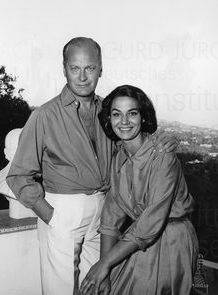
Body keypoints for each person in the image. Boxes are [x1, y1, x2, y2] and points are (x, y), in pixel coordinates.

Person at [6, 38, 177, 295]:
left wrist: (164, 139)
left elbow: (130, 144)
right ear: (64, 69)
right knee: (60, 288)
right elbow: (18, 175)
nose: (83, 77)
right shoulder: (44, 115)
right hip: (63, 210)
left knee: (96, 286)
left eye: (90, 68)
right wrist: (51, 215)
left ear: (100, 69)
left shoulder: (107, 111)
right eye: (75, 68)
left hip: (105, 212)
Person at [80, 85, 199, 295]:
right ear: (109, 119)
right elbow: (110, 220)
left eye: (132, 113)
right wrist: (104, 271)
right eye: (116, 114)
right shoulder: (119, 158)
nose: (124, 122)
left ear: (143, 117)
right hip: (138, 238)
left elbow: (150, 223)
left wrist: (104, 265)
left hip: (171, 241)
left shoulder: (162, 155)